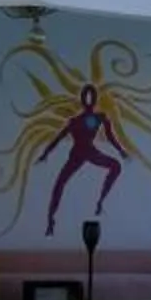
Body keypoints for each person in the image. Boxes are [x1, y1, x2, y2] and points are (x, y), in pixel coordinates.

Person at [39, 85, 124, 233]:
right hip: (77, 154)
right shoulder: (75, 121)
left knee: (116, 166)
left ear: (95, 99)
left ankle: (100, 202)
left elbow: (110, 136)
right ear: (83, 100)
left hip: (90, 152)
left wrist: (121, 150)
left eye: (92, 97)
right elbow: (59, 138)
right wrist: (45, 153)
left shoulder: (99, 117)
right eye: (87, 97)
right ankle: (50, 221)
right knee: (59, 183)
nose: (89, 101)